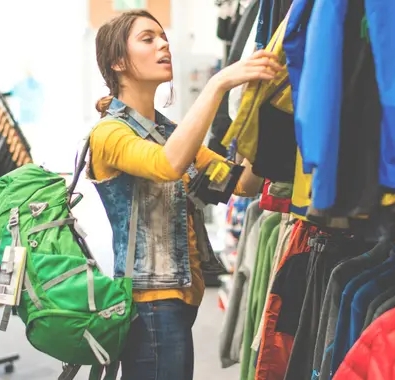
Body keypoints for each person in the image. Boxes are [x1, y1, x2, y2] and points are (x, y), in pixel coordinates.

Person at [89, 9, 280, 380]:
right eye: (148, 39)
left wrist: (261, 115)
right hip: (150, 303)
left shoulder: (168, 131)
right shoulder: (109, 134)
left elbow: (242, 184)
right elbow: (166, 165)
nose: (164, 45)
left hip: (181, 296)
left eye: (164, 37)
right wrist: (217, 85)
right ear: (117, 62)